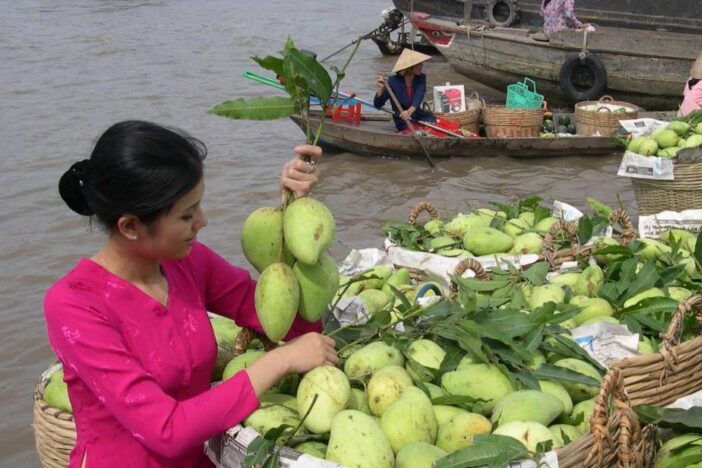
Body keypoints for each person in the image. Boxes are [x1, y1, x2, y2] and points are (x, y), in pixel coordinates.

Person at [46, 121, 338, 467]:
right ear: (131, 226)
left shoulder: (189, 263)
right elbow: (165, 431)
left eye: (198, 206)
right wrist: (281, 360)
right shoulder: (75, 305)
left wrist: (292, 218)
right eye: (187, 215)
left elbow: (291, 326)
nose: (203, 221)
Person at [374, 49, 436, 133]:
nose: (422, 65)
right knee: (415, 132)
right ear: (410, 67)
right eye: (419, 64)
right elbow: (378, 105)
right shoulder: (393, 81)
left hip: (418, 115)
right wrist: (380, 90)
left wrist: (409, 111)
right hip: (402, 119)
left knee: (435, 126)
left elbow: (419, 95)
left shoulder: (421, 78)